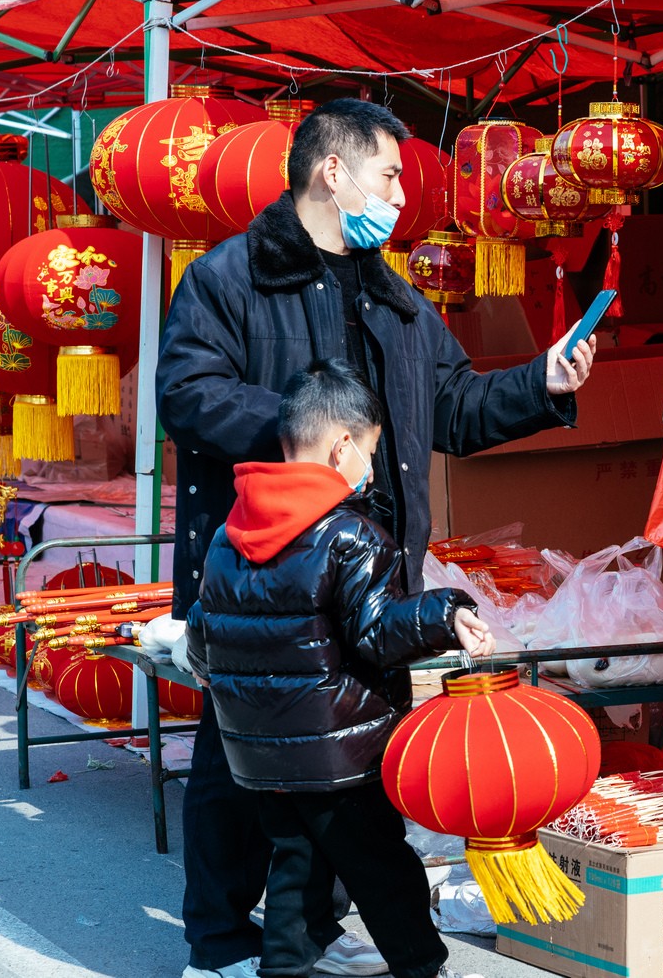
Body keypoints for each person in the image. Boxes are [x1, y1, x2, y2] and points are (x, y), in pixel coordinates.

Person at [157, 97, 595, 978]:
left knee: (351, 761)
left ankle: (311, 932)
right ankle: (219, 938)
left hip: (370, 570)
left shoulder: (394, 295)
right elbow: (188, 395)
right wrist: (307, 437)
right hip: (266, 566)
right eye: (389, 174)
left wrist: (541, 384)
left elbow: (454, 407)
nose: (400, 196)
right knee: (241, 756)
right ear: (333, 170)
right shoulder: (228, 278)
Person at [187, 359, 497, 978]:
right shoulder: (350, 535)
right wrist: (446, 613)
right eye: (370, 454)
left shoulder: (230, 532)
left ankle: (284, 968)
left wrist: (208, 671)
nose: (371, 470)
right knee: (384, 870)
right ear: (342, 447)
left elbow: (203, 628)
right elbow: (378, 631)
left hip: (258, 752)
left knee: (298, 867)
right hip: (337, 753)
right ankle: (424, 968)